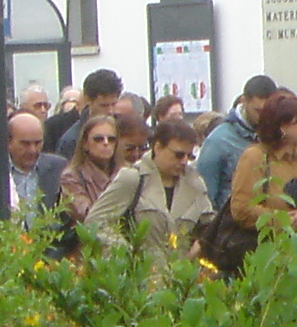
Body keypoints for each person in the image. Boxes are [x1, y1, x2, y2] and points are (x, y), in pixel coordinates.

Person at [86, 115, 214, 251]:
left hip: (180, 263)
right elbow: (95, 222)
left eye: (189, 156)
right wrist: (127, 251)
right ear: (158, 147)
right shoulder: (133, 178)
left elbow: (210, 227)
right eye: (178, 155)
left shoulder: (194, 184)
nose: (184, 161)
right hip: (142, 262)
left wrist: (197, 250)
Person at [230, 92, 297, 236]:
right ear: (281, 126)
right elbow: (241, 208)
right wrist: (285, 220)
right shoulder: (255, 158)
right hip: (269, 246)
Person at [198, 75, 279, 206]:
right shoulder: (218, 140)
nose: (263, 117)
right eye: (258, 111)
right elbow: (205, 196)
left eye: (268, 111)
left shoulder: (278, 137)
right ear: (244, 101)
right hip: (232, 215)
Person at [59, 115, 125, 225]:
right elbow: (86, 215)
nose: (106, 143)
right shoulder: (71, 177)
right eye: (98, 139)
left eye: (111, 139)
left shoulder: (126, 173)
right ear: (85, 143)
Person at [50, 67, 125, 158]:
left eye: (113, 104)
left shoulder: (125, 129)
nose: (110, 111)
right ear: (88, 100)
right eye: (103, 105)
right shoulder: (72, 140)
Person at [4, 111, 66, 218]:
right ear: (9, 142)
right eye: (25, 144)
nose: (32, 150)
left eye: (37, 143)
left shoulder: (58, 168)